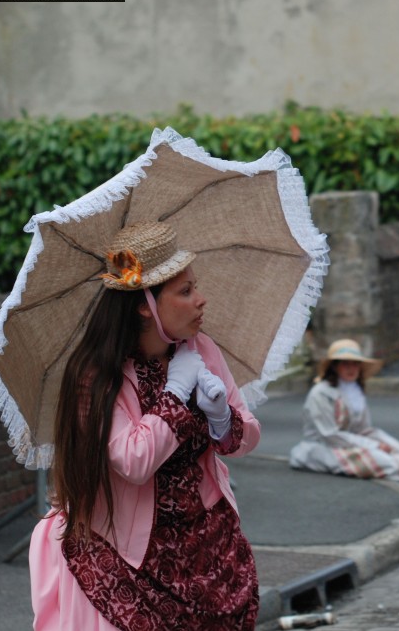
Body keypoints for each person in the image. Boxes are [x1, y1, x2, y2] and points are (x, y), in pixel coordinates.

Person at [29, 221, 261, 630]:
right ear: (145, 305)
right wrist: (174, 393)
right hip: (128, 556)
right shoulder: (95, 376)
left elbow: (245, 437)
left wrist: (222, 417)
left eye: (196, 287)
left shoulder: (200, 348)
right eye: (185, 291)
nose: (201, 300)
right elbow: (133, 461)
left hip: (209, 546)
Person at [289, 339, 399, 493]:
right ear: (334, 367)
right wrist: (374, 446)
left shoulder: (355, 390)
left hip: (351, 441)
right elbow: (330, 435)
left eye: (355, 364)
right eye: (345, 364)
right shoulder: (321, 394)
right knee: (387, 463)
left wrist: (383, 442)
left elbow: (363, 428)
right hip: (325, 447)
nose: (351, 368)